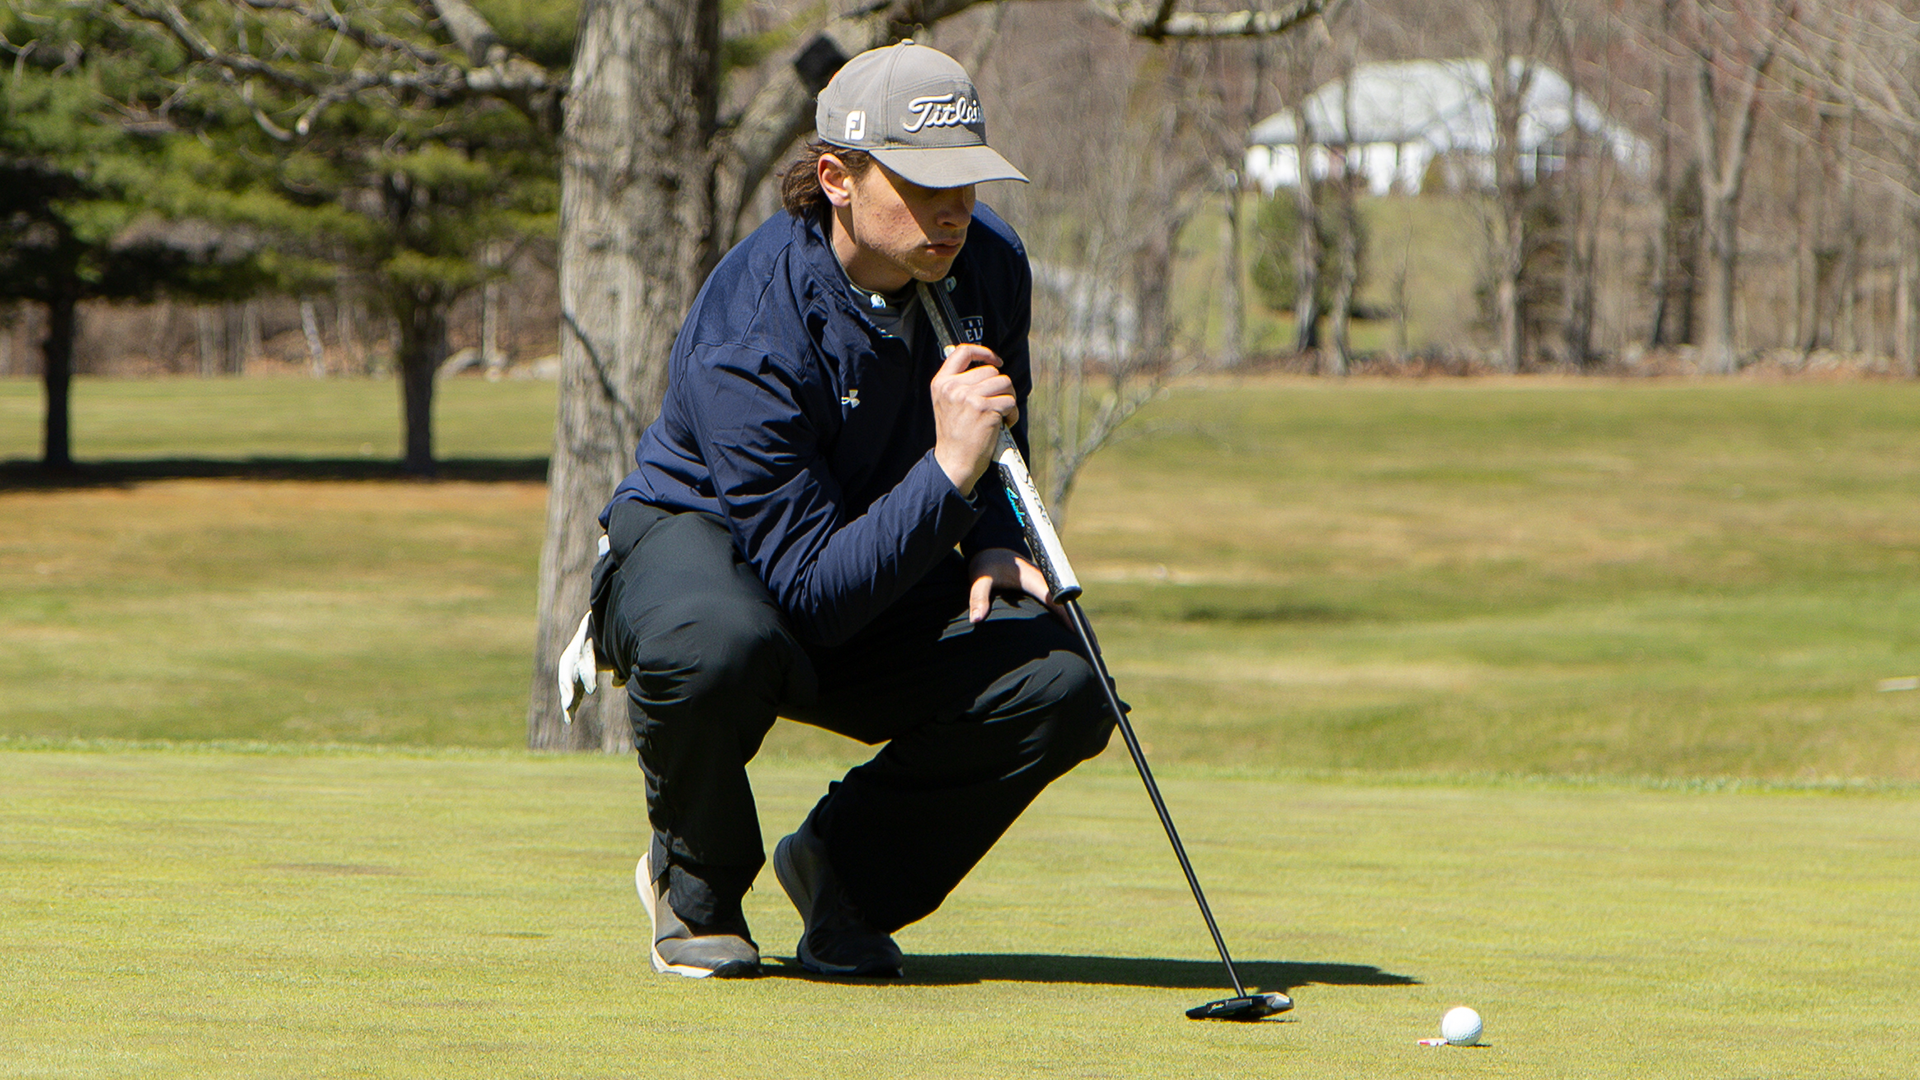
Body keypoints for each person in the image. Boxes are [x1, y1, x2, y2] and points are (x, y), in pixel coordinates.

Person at [583, 40, 1116, 981]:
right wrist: (951, 475)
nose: (952, 210)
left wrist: (992, 535)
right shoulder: (754, 325)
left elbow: (998, 427)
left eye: (968, 183)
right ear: (835, 177)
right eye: (920, 184)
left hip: (879, 545)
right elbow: (810, 596)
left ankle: (844, 877)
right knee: (718, 644)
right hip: (714, 554)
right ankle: (695, 883)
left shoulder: (988, 265)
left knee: (1065, 686)